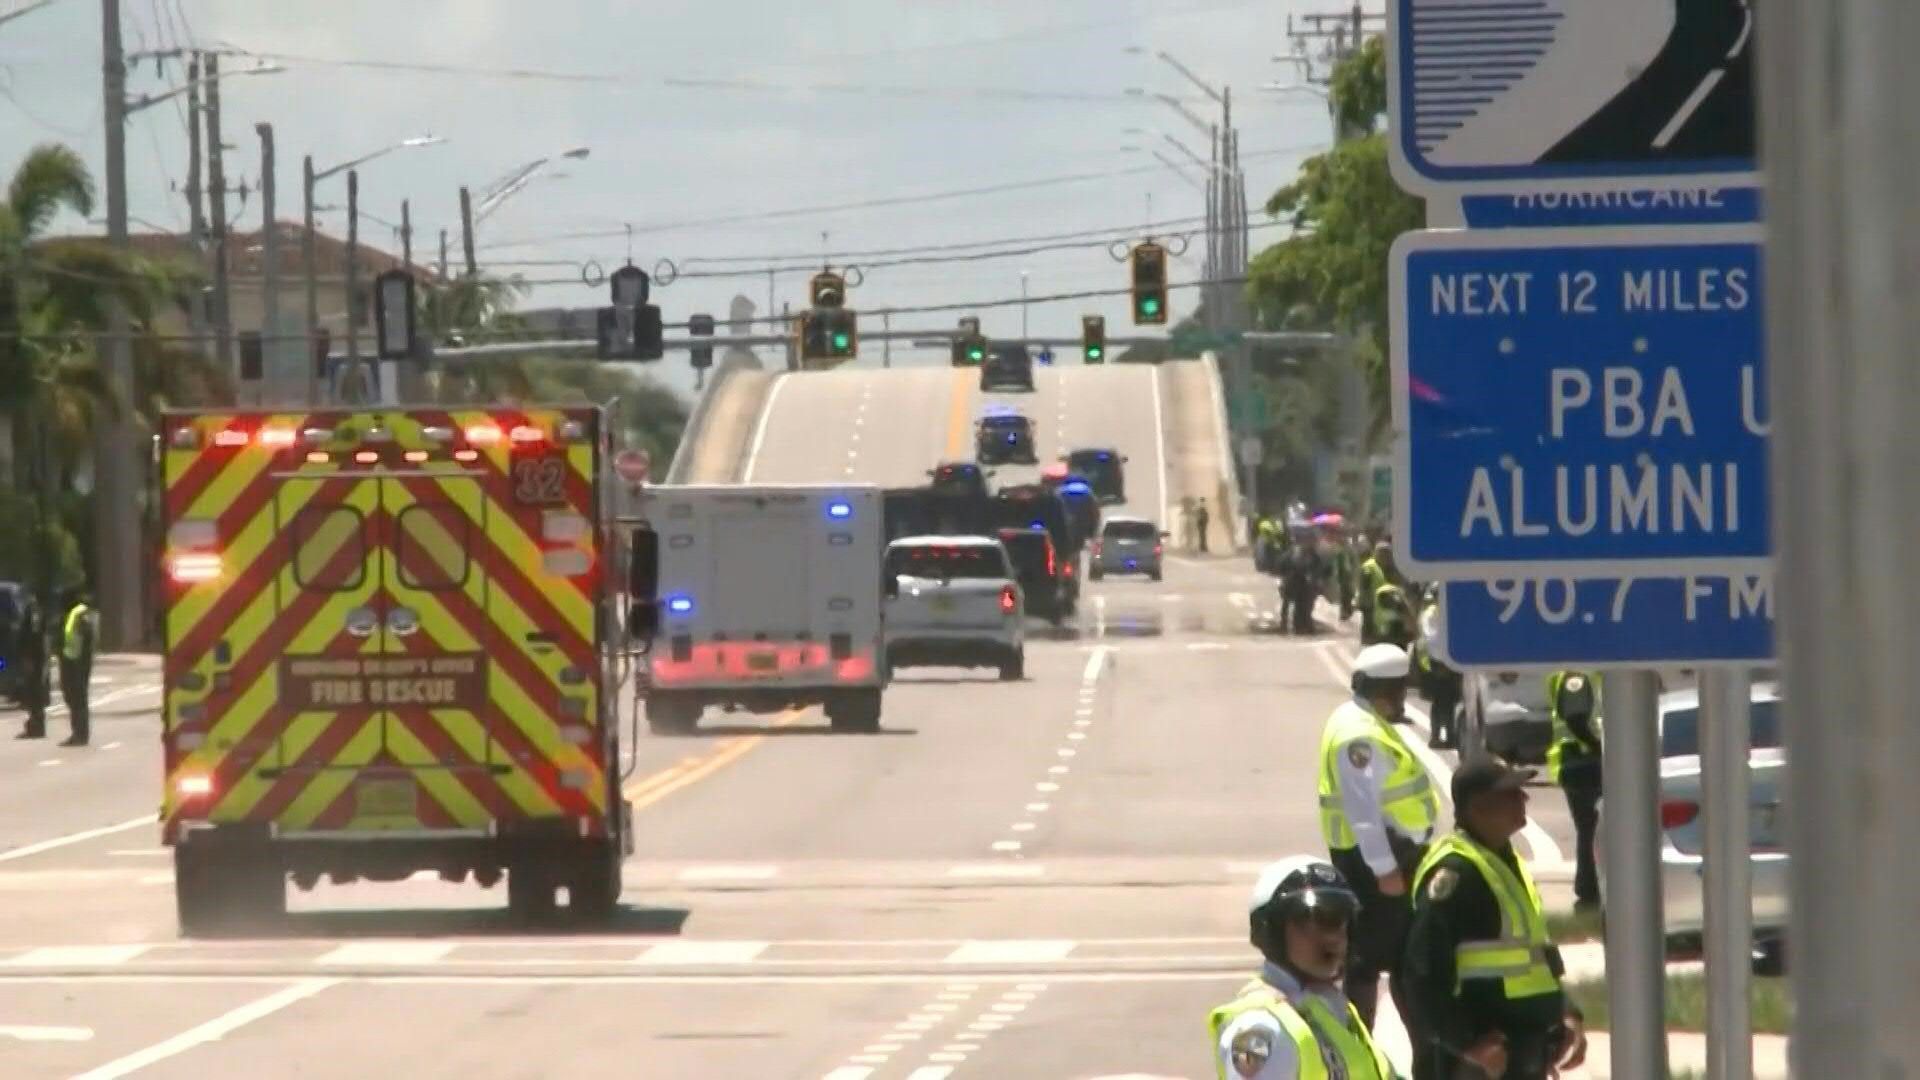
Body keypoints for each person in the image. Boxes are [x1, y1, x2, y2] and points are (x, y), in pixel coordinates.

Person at [1402, 755, 1587, 1079]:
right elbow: (1420, 976)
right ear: (1479, 807)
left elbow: (1536, 957)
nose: (1524, 799)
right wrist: (1465, 1045)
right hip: (1478, 1063)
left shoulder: (1502, 860)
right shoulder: (1457, 873)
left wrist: (1565, 1013)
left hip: (1521, 1053)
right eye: (1511, 793)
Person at [1317, 643, 1442, 1030]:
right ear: (1388, 691)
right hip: (1376, 859)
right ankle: (1361, 1038)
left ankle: (1414, 1036)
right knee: (1371, 959)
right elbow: (1364, 813)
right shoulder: (1360, 736)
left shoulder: (1357, 720)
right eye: (1402, 690)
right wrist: (1385, 869)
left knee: (1397, 954)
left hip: (1382, 855)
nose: (1403, 699)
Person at [1209, 855, 1396, 1079]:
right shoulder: (1264, 1027)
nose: (1336, 936)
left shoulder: (1330, 1008)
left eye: (1341, 920)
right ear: (1272, 930)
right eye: (1319, 920)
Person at [1546, 671, 1604, 911]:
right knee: (1591, 826)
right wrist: (1600, 746)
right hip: (1582, 761)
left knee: (1590, 826)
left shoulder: (1590, 672)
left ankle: (1589, 884)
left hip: (1583, 762)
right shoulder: (1577, 676)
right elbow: (1576, 719)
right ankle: (1589, 886)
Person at [1414, 595, 1462, 750]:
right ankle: (1435, 736)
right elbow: (1432, 639)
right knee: (1439, 700)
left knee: (1450, 699)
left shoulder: (1449, 610)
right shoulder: (1431, 614)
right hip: (1437, 662)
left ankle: (1450, 735)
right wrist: (1442, 662)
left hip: (1451, 660)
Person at [56, 588, 97, 747]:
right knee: (74, 698)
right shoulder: (77, 613)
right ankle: (78, 733)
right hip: (72, 661)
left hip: (76, 663)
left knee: (78, 698)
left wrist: (78, 662)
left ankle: (80, 734)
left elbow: (84, 639)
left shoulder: (78, 614)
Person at [13, 595, 48, 740]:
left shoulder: (34, 610)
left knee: (34, 692)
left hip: (34, 658)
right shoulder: (34, 609)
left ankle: (36, 726)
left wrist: (29, 657)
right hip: (34, 657)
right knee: (32, 692)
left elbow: (34, 634)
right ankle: (35, 724)